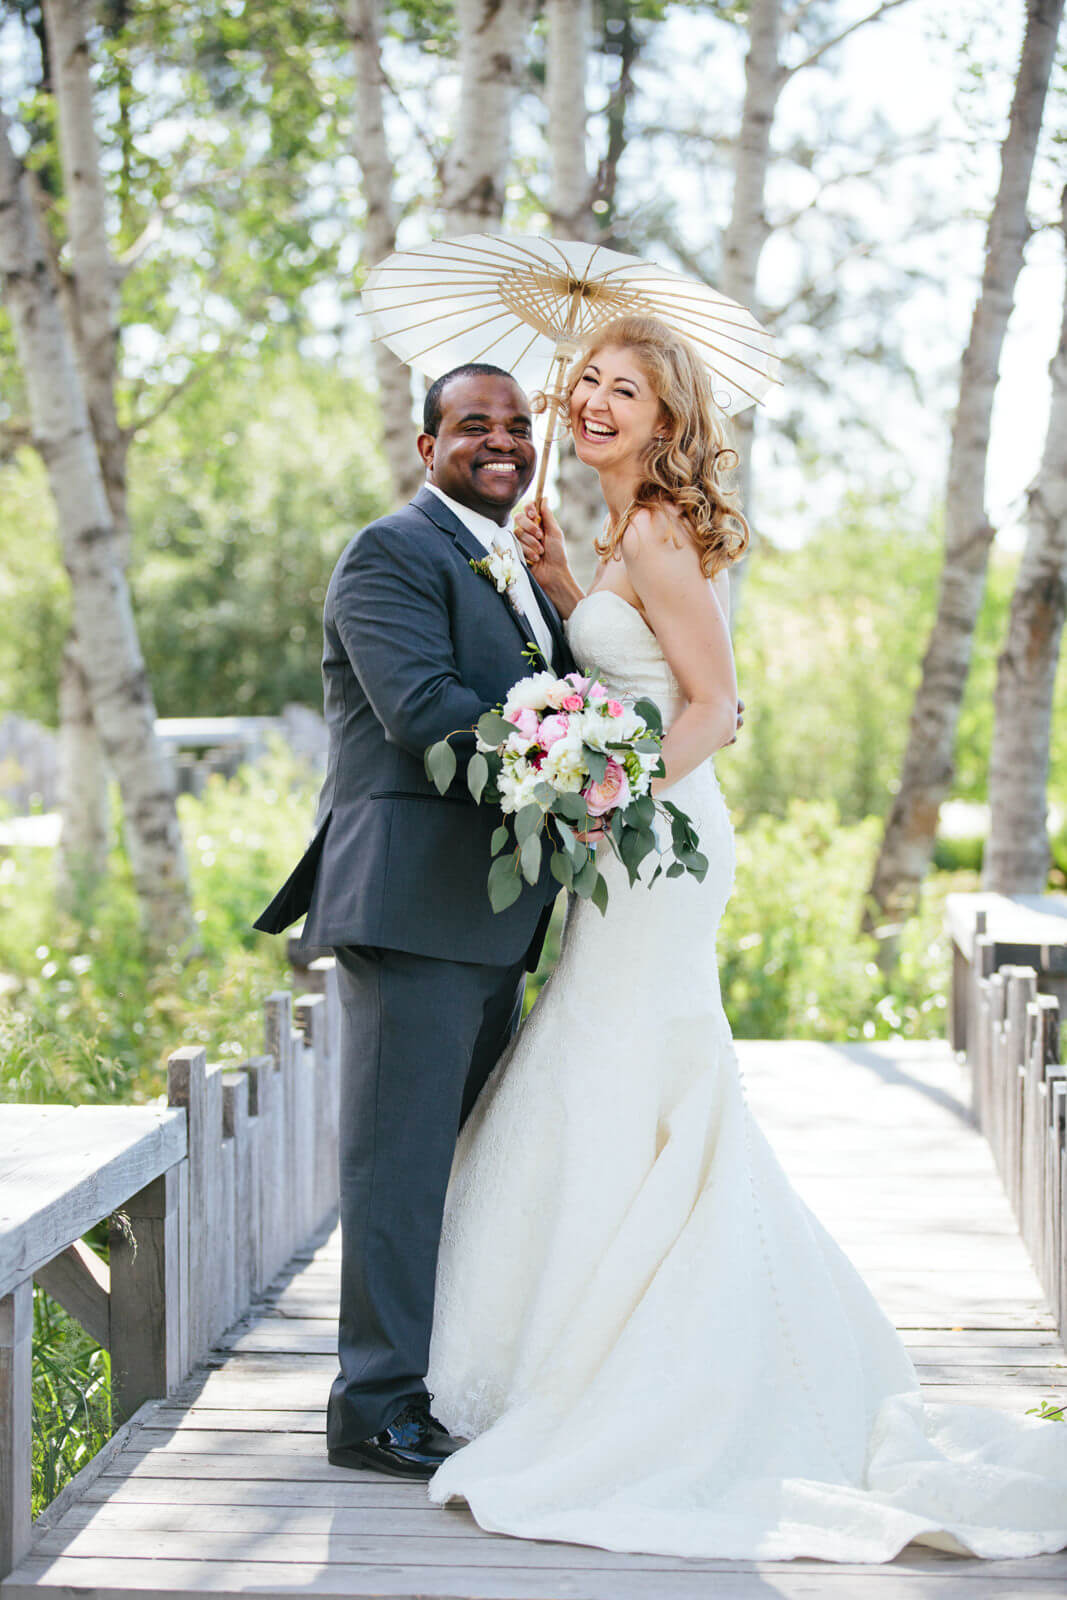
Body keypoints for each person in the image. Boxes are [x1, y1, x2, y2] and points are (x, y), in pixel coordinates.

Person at [423, 315, 1067, 1561]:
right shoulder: (612, 535)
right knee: (615, 1068)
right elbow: (633, 680)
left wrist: (597, 798)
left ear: (667, 424)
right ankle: (580, 1334)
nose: (599, 405)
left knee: (613, 1059)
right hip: (629, 843)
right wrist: (561, 594)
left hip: (657, 849)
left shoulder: (658, 529)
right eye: (590, 386)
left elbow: (715, 709)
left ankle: (646, 1360)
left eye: (628, 393)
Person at [253, 363, 577, 1479]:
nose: (500, 441)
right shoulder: (390, 552)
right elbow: (424, 712)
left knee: (462, 1163)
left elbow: (553, 694)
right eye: (472, 425)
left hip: (492, 915)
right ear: (425, 441)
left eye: (516, 425)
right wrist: (568, 771)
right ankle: (375, 1404)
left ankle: (437, 1377)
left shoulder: (512, 567)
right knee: (397, 1168)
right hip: (410, 907)